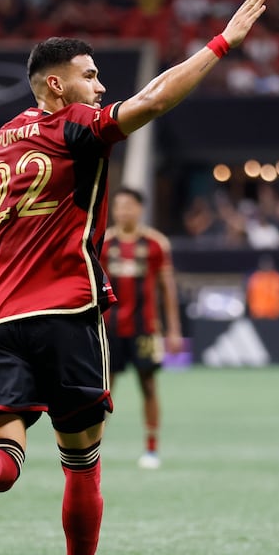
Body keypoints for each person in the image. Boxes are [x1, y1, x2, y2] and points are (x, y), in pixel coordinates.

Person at [0, 0, 269, 555]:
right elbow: (156, 99)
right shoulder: (72, 128)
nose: (100, 85)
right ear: (55, 86)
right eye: (89, 75)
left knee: (3, 456)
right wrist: (221, 44)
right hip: (67, 309)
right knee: (81, 459)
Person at [102, 187, 180, 470]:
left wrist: (173, 329)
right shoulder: (103, 242)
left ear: (140, 210)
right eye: (119, 206)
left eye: (129, 206)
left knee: (148, 385)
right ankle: (93, 449)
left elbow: (167, 288)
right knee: (103, 389)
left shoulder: (156, 244)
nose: (123, 211)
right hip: (108, 330)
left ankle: (151, 448)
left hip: (145, 329)